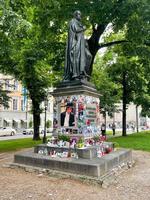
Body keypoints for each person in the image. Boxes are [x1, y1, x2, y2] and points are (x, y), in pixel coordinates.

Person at [64, 10, 92, 81]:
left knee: (89, 56)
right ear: (75, 15)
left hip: (81, 45)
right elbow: (76, 30)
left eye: (80, 14)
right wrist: (83, 28)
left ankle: (82, 72)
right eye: (79, 14)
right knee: (76, 58)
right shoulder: (73, 21)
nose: (80, 16)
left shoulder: (79, 23)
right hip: (75, 44)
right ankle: (76, 74)